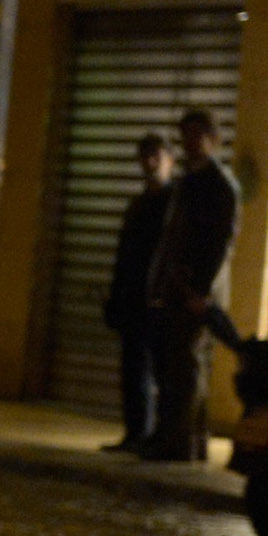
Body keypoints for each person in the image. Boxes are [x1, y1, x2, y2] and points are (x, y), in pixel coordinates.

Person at [143, 106, 239, 463]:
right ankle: (184, 439)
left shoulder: (218, 185)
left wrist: (200, 289)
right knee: (177, 363)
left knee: (186, 362)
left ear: (213, 139)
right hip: (176, 286)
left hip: (195, 290)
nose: (191, 142)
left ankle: (181, 441)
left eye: (198, 135)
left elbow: (220, 241)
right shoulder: (189, 181)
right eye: (187, 135)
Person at [101, 131, 175, 453]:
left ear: (169, 158)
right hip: (134, 299)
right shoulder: (140, 203)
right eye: (145, 156)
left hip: (159, 301)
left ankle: (155, 435)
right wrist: (117, 296)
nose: (150, 162)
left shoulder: (174, 204)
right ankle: (136, 433)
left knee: (158, 371)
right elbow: (126, 254)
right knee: (133, 371)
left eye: (155, 155)